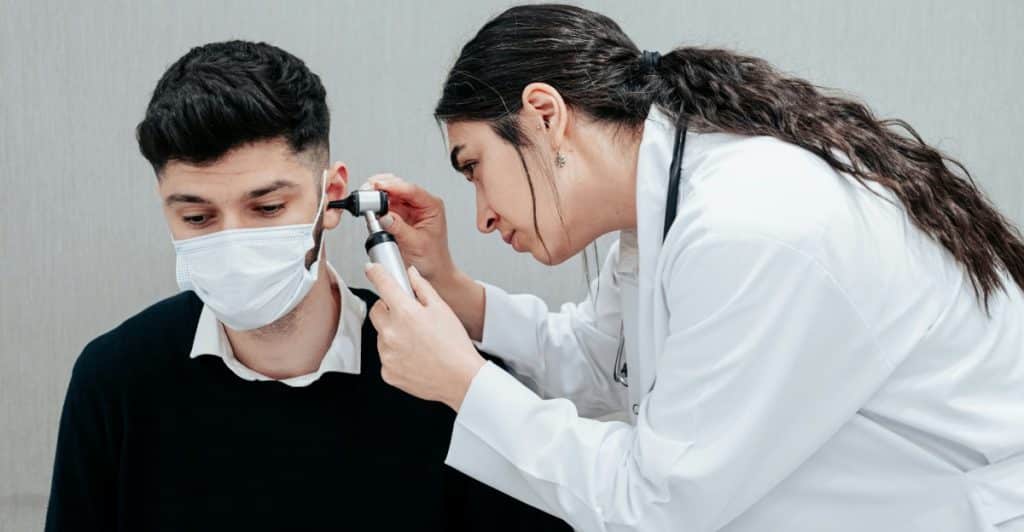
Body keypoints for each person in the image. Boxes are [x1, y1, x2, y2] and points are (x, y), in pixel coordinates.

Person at [361, 4, 1024, 531]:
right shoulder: (666, 202)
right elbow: (603, 363)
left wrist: (463, 382)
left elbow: (655, 506)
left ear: (544, 115)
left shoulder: (752, 225)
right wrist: (452, 291)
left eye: (474, 166)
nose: (480, 215)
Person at [45, 40, 571, 532]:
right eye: (198, 217)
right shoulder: (115, 379)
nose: (235, 241)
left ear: (333, 194)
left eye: (268, 208)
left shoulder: (448, 377)